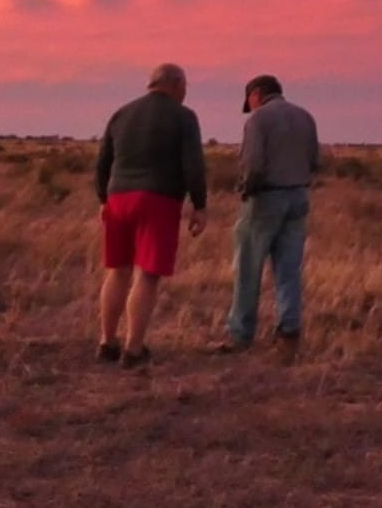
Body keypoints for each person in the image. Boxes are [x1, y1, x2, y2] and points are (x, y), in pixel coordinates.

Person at [94, 62, 208, 367]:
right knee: (147, 274)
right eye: (184, 86)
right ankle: (133, 349)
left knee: (117, 270)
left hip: (118, 197)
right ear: (175, 84)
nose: (185, 93)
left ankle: (107, 342)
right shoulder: (184, 117)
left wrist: (104, 198)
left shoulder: (122, 113)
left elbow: (103, 161)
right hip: (158, 199)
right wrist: (199, 205)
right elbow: (193, 165)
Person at [213, 74, 321, 360]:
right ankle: (289, 333)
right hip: (298, 195)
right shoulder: (305, 117)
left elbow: (253, 164)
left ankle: (240, 334)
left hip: (265, 198)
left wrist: (246, 189)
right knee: (288, 270)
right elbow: (314, 160)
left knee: (248, 268)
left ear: (257, 94)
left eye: (249, 100)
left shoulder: (258, 120)